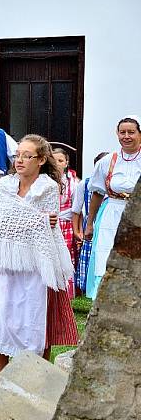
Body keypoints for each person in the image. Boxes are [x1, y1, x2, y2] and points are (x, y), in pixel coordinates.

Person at [0, 135, 75, 372]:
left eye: (27, 156)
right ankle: (1, 379)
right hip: (7, 260)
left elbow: (44, 227)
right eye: (17, 155)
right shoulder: (6, 185)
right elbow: (3, 222)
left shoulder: (48, 187)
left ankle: (35, 381)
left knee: (34, 321)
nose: (20, 160)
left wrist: (34, 221)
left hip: (36, 264)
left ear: (41, 160)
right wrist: (36, 219)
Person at [84, 116, 141, 298]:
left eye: (131, 132)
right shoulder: (107, 161)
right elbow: (97, 193)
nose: (126, 136)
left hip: (138, 212)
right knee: (106, 253)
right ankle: (105, 299)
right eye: (122, 132)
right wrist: (90, 223)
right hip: (112, 212)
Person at [72, 152, 109, 294]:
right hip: (91, 225)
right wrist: (77, 231)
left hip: (108, 225)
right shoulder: (85, 183)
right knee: (92, 258)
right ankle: (90, 288)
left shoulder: (116, 188)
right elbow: (76, 210)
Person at [51, 147, 79, 298]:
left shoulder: (73, 183)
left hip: (65, 224)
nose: (57, 164)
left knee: (65, 258)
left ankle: (65, 293)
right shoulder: (44, 180)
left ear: (66, 163)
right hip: (49, 223)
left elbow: (76, 208)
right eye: (54, 160)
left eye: (60, 161)